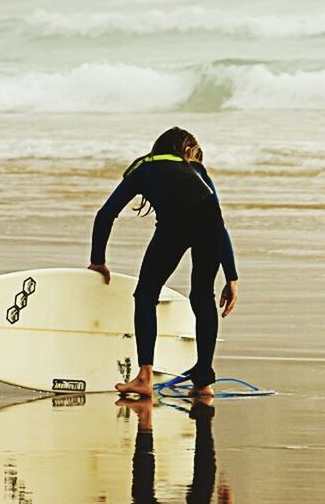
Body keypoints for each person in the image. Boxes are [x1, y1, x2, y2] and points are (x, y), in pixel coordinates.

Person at [88, 127, 238, 398]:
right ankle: (204, 382)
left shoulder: (144, 168)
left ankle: (144, 377)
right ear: (186, 150)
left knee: (146, 295)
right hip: (210, 226)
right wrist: (231, 276)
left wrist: (97, 260)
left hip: (175, 227)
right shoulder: (197, 171)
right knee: (203, 296)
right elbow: (218, 222)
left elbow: (106, 214)